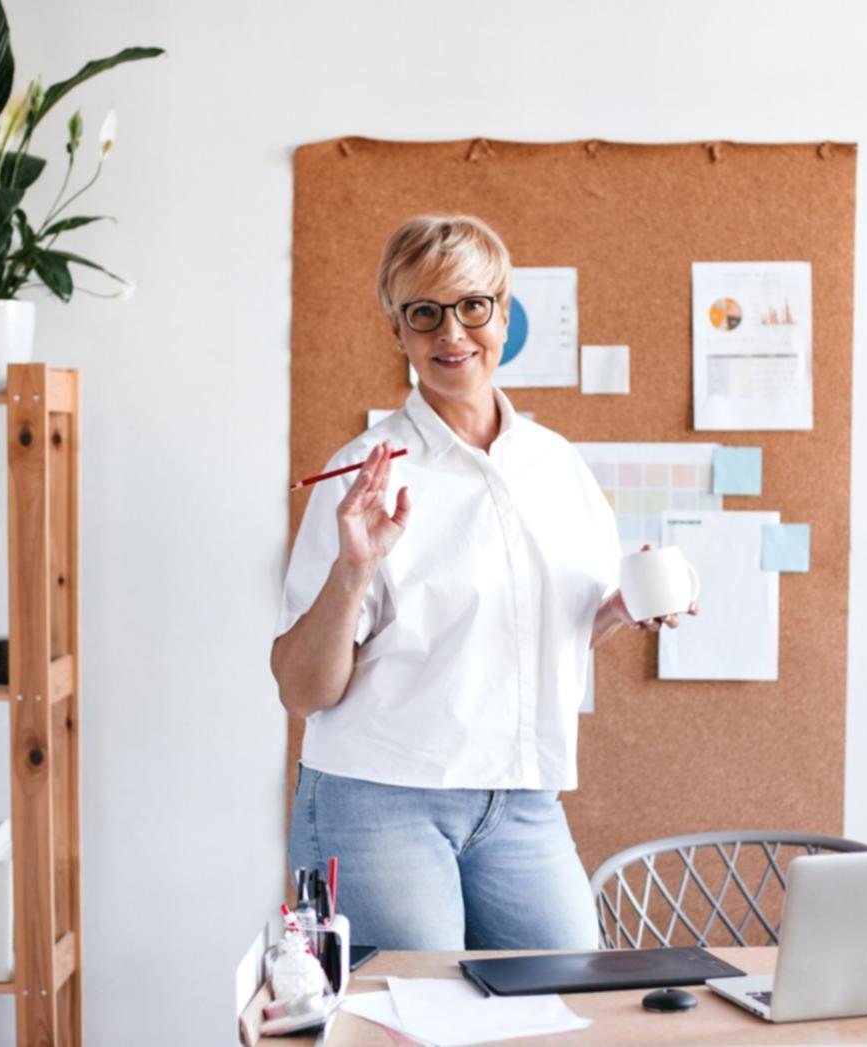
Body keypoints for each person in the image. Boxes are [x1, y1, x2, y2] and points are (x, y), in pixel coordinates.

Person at [271, 214, 691, 951]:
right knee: (412, 1024)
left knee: (567, 1008)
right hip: (381, 800)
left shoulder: (557, 466)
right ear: (398, 333)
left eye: (473, 306)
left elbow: (544, 635)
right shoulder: (369, 473)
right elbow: (302, 690)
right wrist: (354, 570)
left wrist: (623, 609)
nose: (452, 332)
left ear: (503, 313)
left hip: (522, 799)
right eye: (423, 313)